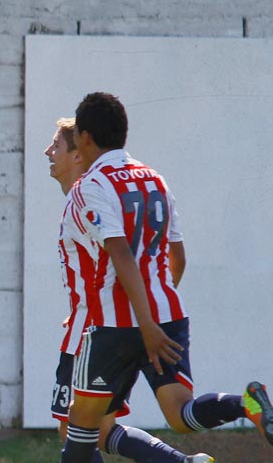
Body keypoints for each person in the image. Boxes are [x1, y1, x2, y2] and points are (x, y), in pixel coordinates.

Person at [59, 93, 273, 463]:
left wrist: (143, 325)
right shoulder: (155, 179)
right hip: (166, 313)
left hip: (116, 323)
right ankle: (246, 404)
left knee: (80, 422)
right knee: (181, 413)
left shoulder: (90, 187)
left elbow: (120, 252)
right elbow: (178, 257)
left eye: (76, 133)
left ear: (86, 138)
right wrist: (156, 314)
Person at [46, 118, 213, 463]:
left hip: (96, 330)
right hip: (110, 321)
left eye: (57, 146)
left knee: (77, 429)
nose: (48, 152)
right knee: (101, 429)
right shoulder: (102, 196)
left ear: (79, 154)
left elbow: (121, 259)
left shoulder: (89, 196)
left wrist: (112, 311)